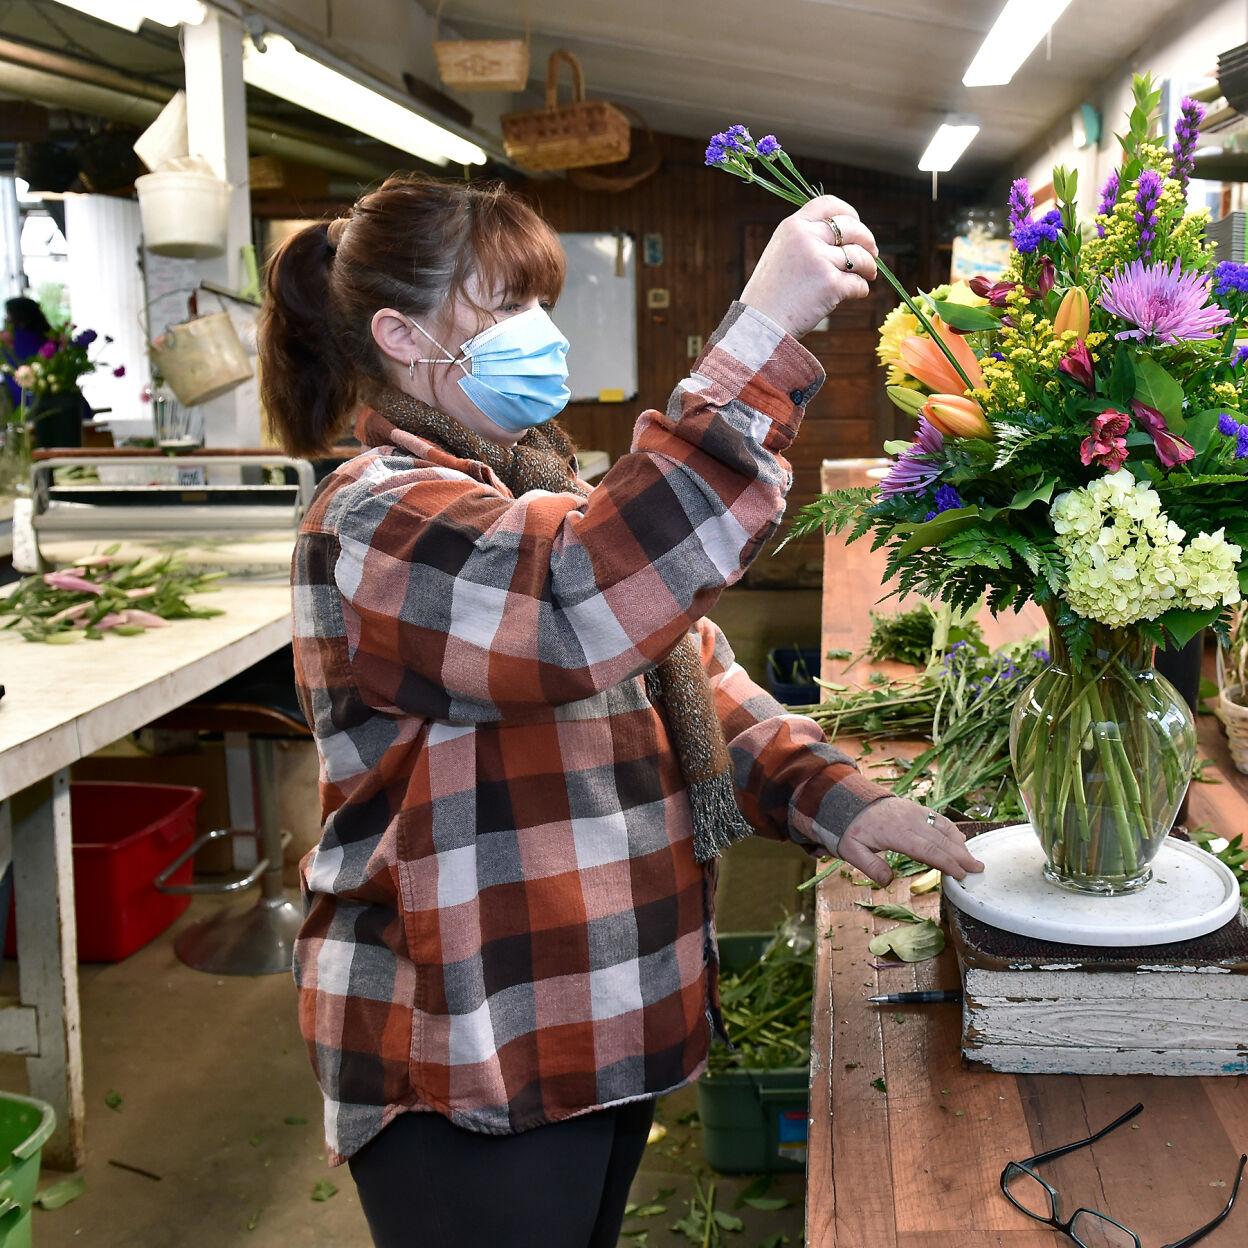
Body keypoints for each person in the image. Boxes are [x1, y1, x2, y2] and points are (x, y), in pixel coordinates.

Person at [258, 175, 982, 1247]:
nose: (537, 335)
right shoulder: (375, 517)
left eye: (536, 302)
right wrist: (759, 335)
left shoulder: (528, 483)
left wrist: (839, 802)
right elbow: (582, 604)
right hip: (466, 1038)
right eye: (502, 308)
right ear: (401, 336)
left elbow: (688, 671)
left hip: (597, 1007)